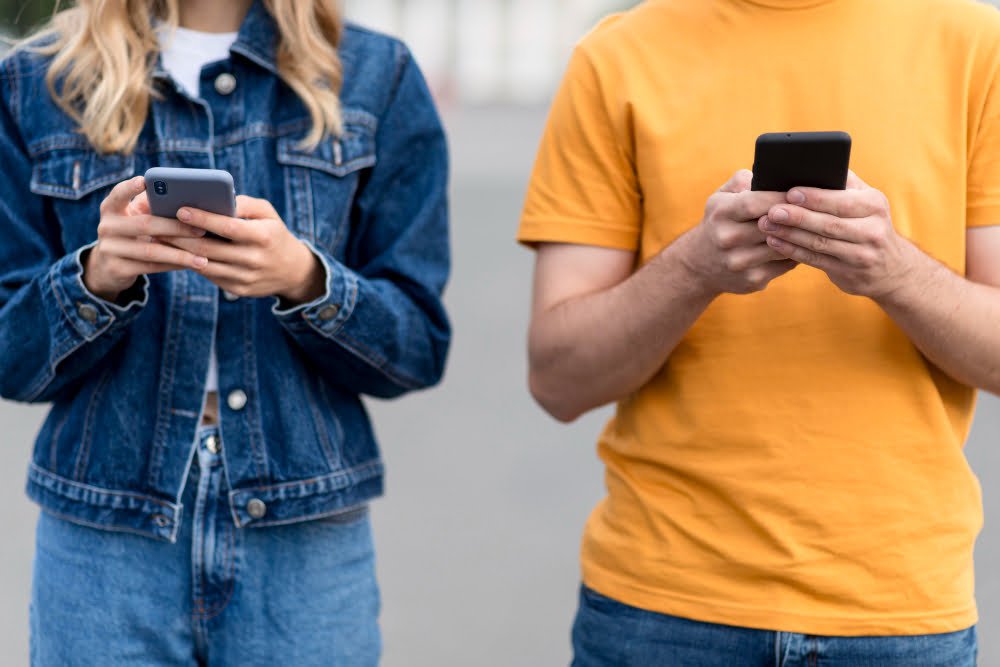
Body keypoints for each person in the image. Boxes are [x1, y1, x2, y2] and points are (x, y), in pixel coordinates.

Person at [519, 0, 1000, 664]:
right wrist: (696, 267)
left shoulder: (978, 46)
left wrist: (892, 270)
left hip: (899, 610)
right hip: (661, 602)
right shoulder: (616, 56)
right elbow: (557, 378)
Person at [0, 0, 449, 663]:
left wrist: (305, 278)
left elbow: (417, 346)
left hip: (303, 538)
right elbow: (11, 359)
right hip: (106, 538)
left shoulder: (375, 75)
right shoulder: (37, 81)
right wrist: (94, 277)